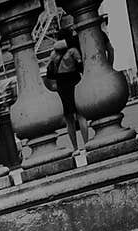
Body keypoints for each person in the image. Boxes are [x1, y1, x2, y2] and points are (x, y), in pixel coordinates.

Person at [45, 17, 90, 150]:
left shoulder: (53, 55)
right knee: (81, 115)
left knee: (69, 120)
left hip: (62, 86)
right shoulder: (73, 51)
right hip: (75, 82)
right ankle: (86, 145)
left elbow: (49, 73)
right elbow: (81, 66)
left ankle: (75, 148)